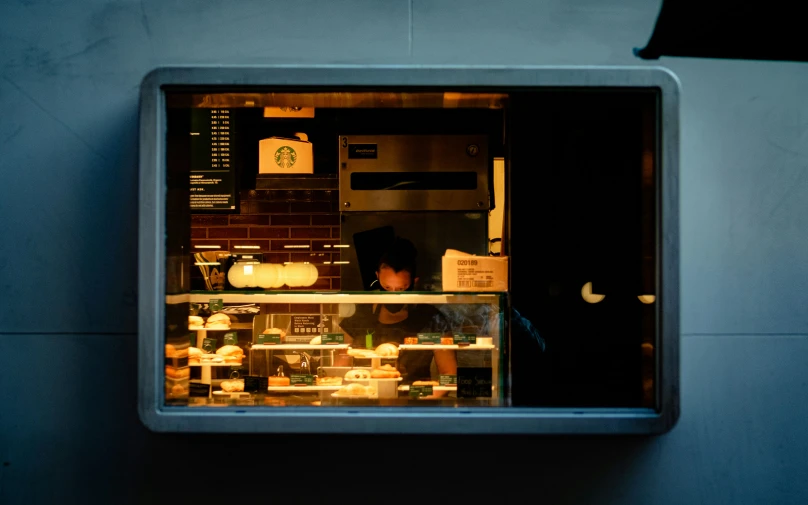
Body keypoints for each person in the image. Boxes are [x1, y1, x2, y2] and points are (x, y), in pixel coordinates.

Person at [336, 237, 457, 392]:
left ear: (414, 282)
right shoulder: (360, 315)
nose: (393, 294)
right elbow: (340, 364)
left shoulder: (432, 319)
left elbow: (449, 374)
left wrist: (426, 402)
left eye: (401, 289)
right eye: (386, 287)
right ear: (377, 276)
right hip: (368, 399)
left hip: (416, 399)